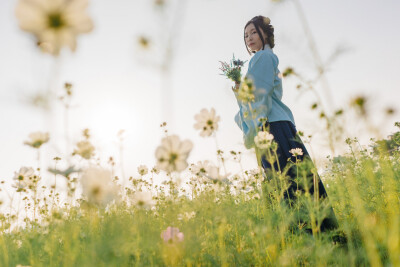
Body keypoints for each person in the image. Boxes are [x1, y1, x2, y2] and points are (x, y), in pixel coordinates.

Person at [232, 15, 339, 233]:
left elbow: (259, 97)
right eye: (246, 35)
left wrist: (255, 130)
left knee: (286, 182)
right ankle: (321, 234)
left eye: (253, 32)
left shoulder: (263, 58)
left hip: (270, 126)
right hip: (274, 124)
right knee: (296, 180)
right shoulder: (264, 59)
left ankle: (304, 236)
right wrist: (239, 90)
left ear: (265, 34)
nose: (249, 38)